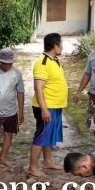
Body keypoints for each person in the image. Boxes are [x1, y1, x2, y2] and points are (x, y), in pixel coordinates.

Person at [27, 33, 69, 178]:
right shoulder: (42, 62)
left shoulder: (54, 60)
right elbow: (38, 88)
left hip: (55, 105)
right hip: (45, 106)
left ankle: (48, 161)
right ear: (55, 46)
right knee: (41, 135)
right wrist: (44, 110)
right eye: (60, 44)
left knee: (49, 135)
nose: (62, 47)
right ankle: (33, 167)